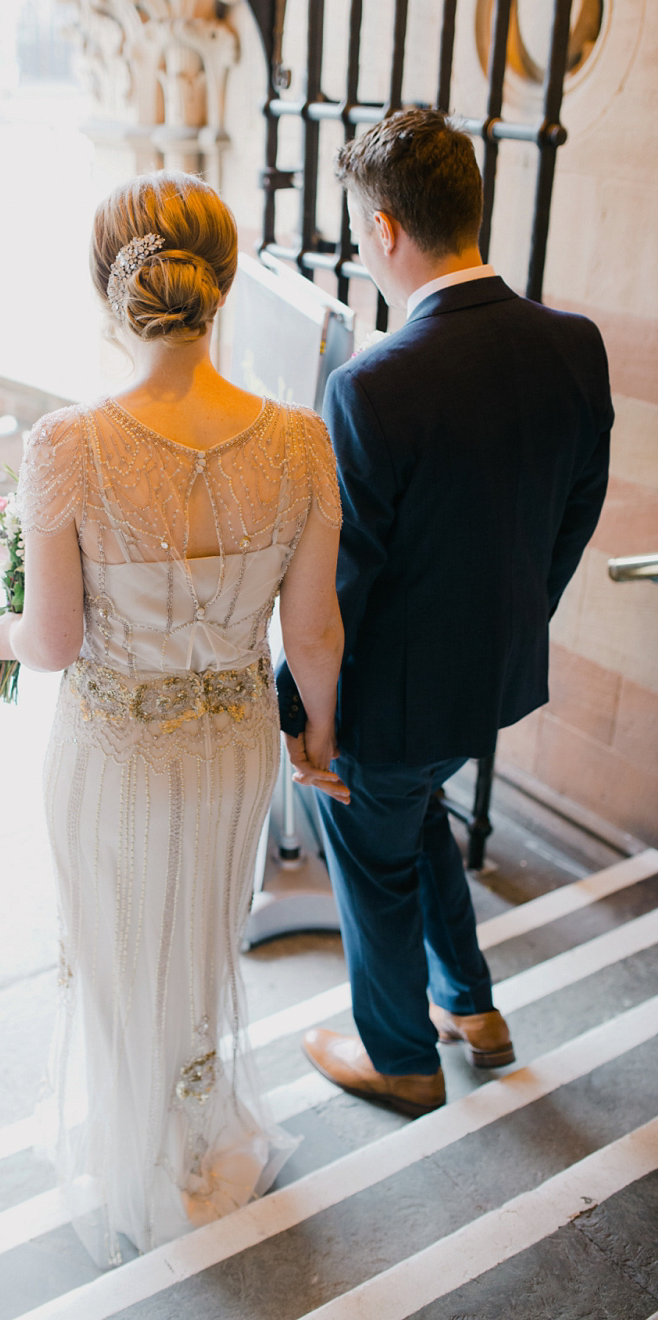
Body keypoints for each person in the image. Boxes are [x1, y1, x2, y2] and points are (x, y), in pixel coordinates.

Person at [0, 172, 346, 1267]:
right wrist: (314, 739)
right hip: (232, 744)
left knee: (117, 942)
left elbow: (48, 642)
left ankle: (139, 1144)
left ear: (113, 288)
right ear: (223, 285)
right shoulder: (299, 442)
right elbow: (316, 634)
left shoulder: (67, 446)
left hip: (112, 750)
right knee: (194, 937)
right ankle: (194, 1133)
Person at [277, 109, 613, 1119]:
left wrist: (312, 716)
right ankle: (473, 1008)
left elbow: (337, 588)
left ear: (385, 230)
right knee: (415, 818)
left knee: (367, 850)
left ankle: (399, 1056)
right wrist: (518, 619)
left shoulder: (374, 383)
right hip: (491, 677)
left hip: (387, 699)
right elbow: (575, 514)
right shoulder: (573, 343)